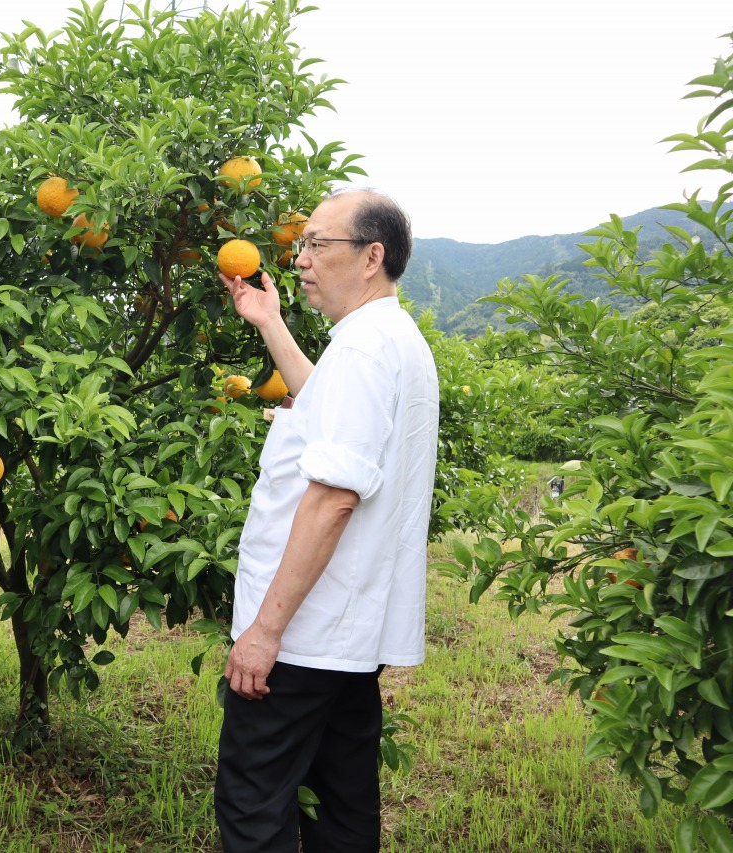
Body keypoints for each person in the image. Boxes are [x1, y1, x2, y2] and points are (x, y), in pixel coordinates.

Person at [213, 189, 439, 852]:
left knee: (254, 808)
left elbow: (334, 498)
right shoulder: (384, 339)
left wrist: (263, 631)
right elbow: (330, 407)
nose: (301, 258)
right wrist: (268, 321)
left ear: (372, 256)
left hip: (301, 639)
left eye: (317, 244)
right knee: (342, 808)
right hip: (345, 636)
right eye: (302, 245)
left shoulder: (366, 350)